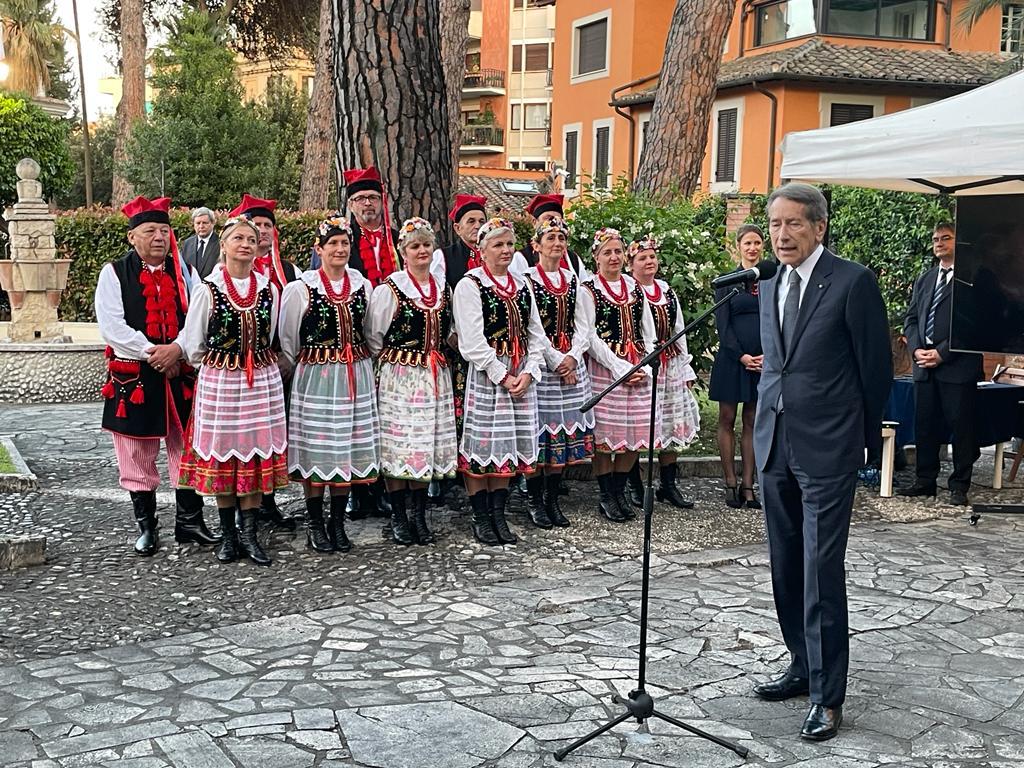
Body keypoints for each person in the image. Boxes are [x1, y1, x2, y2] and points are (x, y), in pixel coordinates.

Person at [752, 183, 892, 741]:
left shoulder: (852, 282)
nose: (782, 235)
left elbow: (874, 370)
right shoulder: (769, 281)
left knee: (819, 568)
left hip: (828, 447)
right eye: (775, 224)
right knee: (785, 564)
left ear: (819, 227)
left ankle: (827, 696)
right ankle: (801, 664)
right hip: (774, 442)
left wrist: (861, 442)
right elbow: (777, 366)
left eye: (794, 224)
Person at [95, 196, 218, 556]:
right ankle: (147, 527)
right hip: (135, 376)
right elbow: (112, 327)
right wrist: (154, 351)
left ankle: (189, 522)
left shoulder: (186, 272)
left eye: (164, 230)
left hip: (179, 372)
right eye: (150, 231)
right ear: (132, 237)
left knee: (187, 447)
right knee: (136, 451)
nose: (160, 237)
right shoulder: (113, 273)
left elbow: (199, 318)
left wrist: (177, 349)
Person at [178, 215, 290, 567]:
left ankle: (250, 534)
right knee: (224, 456)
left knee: (254, 455)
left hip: (261, 382)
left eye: (251, 239)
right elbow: (194, 345)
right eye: (238, 238)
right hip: (222, 382)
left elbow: (273, 333)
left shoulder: (268, 289)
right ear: (223, 245)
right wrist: (223, 366)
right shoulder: (208, 290)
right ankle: (228, 536)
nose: (245, 244)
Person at [279, 214, 379, 554]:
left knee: (346, 447)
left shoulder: (362, 285)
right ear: (318, 249)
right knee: (318, 448)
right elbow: (289, 339)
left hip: (355, 375)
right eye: (332, 243)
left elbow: (370, 331)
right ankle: (315, 522)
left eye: (345, 243)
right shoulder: (301, 288)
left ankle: (337, 521)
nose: (339, 249)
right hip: (317, 378)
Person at [454, 217, 546, 545]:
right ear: (482, 250)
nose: (506, 250)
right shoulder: (470, 285)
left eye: (509, 244)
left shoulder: (522, 284)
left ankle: (499, 514)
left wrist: (529, 371)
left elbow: (536, 334)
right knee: (483, 446)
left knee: (507, 446)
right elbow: (471, 341)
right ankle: (481, 517)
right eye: (498, 244)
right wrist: (502, 376)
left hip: (519, 373)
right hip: (487, 376)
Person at [368, 217, 458, 545]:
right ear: (403, 252)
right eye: (415, 246)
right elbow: (374, 337)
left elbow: (450, 331)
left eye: (426, 245)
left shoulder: (443, 288)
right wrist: (394, 363)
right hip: (400, 377)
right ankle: (399, 515)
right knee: (399, 445)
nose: (422, 251)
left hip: (434, 377)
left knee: (424, 444)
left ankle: (419, 516)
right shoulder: (390, 289)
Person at [228, 194, 301, 530]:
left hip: (279, 365)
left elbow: (296, 318)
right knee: (243, 437)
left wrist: (288, 356)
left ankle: (267, 502)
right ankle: (241, 508)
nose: (262, 231)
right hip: (242, 367)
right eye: (255, 225)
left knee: (273, 434)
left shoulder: (290, 271)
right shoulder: (227, 273)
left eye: (267, 225)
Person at [899, 222, 982, 506]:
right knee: (924, 425)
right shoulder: (925, 279)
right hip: (924, 367)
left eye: (946, 238)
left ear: (959, 242)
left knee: (962, 427)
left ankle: (959, 485)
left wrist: (943, 353)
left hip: (957, 367)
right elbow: (911, 319)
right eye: (935, 239)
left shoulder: (973, 279)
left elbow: (975, 323)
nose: (939, 243)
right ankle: (925, 481)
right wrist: (916, 349)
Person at [579, 228, 658, 523]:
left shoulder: (634, 286)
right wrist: (619, 367)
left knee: (635, 432)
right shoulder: (589, 289)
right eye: (607, 252)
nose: (613, 257)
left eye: (617, 251)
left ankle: (619, 488)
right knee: (605, 435)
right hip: (606, 369)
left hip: (637, 366)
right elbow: (590, 336)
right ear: (596, 257)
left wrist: (645, 365)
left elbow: (648, 330)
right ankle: (606, 494)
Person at [522, 216, 595, 528]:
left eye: (561, 238)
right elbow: (532, 327)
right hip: (542, 366)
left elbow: (584, 327)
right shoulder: (527, 280)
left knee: (561, 437)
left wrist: (573, 358)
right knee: (540, 435)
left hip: (570, 367)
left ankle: (552, 498)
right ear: (536, 245)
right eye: (550, 238)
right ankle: (534, 500)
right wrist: (556, 361)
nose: (557, 243)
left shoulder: (574, 281)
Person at [626, 235, 700, 509]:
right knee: (640, 424)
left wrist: (686, 367)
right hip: (643, 366)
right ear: (631, 264)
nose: (649, 261)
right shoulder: (629, 291)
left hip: (669, 366)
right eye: (642, 258)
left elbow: (679, 330)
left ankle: (668, 485)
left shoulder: (666, 291)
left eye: (652, 257)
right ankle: (634, 484)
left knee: (672, 422)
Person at [710, 224, 765, 509]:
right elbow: (723, 325)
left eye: (757, 243)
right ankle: (730, 482)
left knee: (752, 420)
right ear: (738, 246)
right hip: (733, 360)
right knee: (727, 417)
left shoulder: (771, 281)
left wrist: (767, 355)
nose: (752, 248)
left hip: (762, 362)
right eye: (747, 243)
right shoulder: (727, 282)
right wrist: (741, 355)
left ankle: (748, 485)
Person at [311, 167, 400, 290]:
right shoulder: (339, 239)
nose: (368, 203)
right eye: (360, 198)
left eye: (373, 197)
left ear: (382, 201)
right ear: (350, 205)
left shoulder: (397, 239)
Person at [515, 193, 589, 281]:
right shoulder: (521, 257)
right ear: (534, 222)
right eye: (548, 218)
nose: (553, 222)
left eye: (558, 219)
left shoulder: (573, 259)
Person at [431, 193, 488, 288]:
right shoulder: (443, 256)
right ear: (457, 228)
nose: (478, 226)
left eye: (481, 221)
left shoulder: (494, 254)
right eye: (471, 221)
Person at [180, 207, 220, 278]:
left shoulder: (221, 244)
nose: (201, 226)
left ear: (213, 223)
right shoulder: (187, 244)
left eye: (205, 223)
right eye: (198, 223)